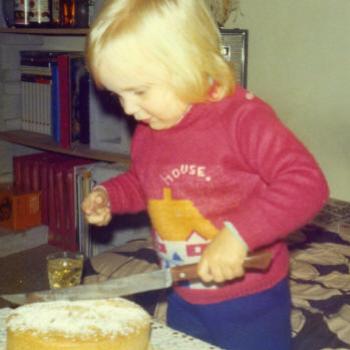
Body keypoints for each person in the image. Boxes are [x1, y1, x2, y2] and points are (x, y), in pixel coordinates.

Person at [82, 0, 329, 349]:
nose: (128, 109)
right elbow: (146, 182)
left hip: (250, 300)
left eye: (139, 91)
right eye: (116, 95)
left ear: (188, 63)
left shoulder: (242, 119)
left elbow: (307, 183)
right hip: (183, 291)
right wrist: (110, 195)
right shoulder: (150, 129)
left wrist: (239, 235)